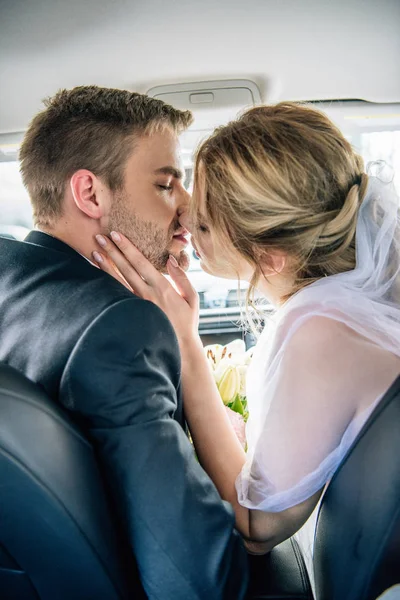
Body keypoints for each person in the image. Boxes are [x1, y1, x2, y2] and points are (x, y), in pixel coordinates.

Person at [92, 102, 400, 587]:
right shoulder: (336, 310)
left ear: (271, 259)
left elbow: (258, 527)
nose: (185, 224)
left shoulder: (320, 329)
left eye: (206, 226)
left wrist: (186, 346)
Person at [0, 85, 249, 599]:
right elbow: (196, 582)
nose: (186, 209)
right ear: (90, 193)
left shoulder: (12, 276)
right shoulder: (121, 328)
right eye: (166, 185)